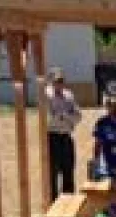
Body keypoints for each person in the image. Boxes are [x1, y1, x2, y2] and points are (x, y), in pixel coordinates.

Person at [42, 68, 82, 200]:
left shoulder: (68, 95)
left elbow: (78, 116)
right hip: (52, 137)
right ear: (51, 81)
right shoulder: (46, 95)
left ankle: (68, 201)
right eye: (57, 81)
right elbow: (49, 119)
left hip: (66, 136)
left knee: (68, 169)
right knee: (52, 173)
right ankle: (53, 203)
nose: (59, 83)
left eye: (61, 80)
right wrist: (67, 117)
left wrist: (63, 116)